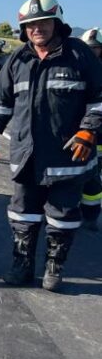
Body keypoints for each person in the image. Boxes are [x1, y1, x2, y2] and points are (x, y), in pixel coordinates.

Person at [0, 0, 102, 291]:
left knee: (61, 217)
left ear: (56, 23)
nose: (38, 29)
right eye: (32, 25)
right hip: (27, 154)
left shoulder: (79, 55)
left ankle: (54, 268)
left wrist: (89, 130)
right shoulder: (18, 59)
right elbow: (2, 102)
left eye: (44, 23)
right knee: (23, 213)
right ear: (25, 28)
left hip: (68, 156)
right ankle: (22, 266)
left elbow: (98, 99)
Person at [78, 28, 102, 230]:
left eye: (95, 48)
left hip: (99, 135)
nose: (92, 51)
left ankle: (90, 215)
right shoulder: (78, 66)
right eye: (89, 47)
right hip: (79, 130)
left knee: (92, 178)